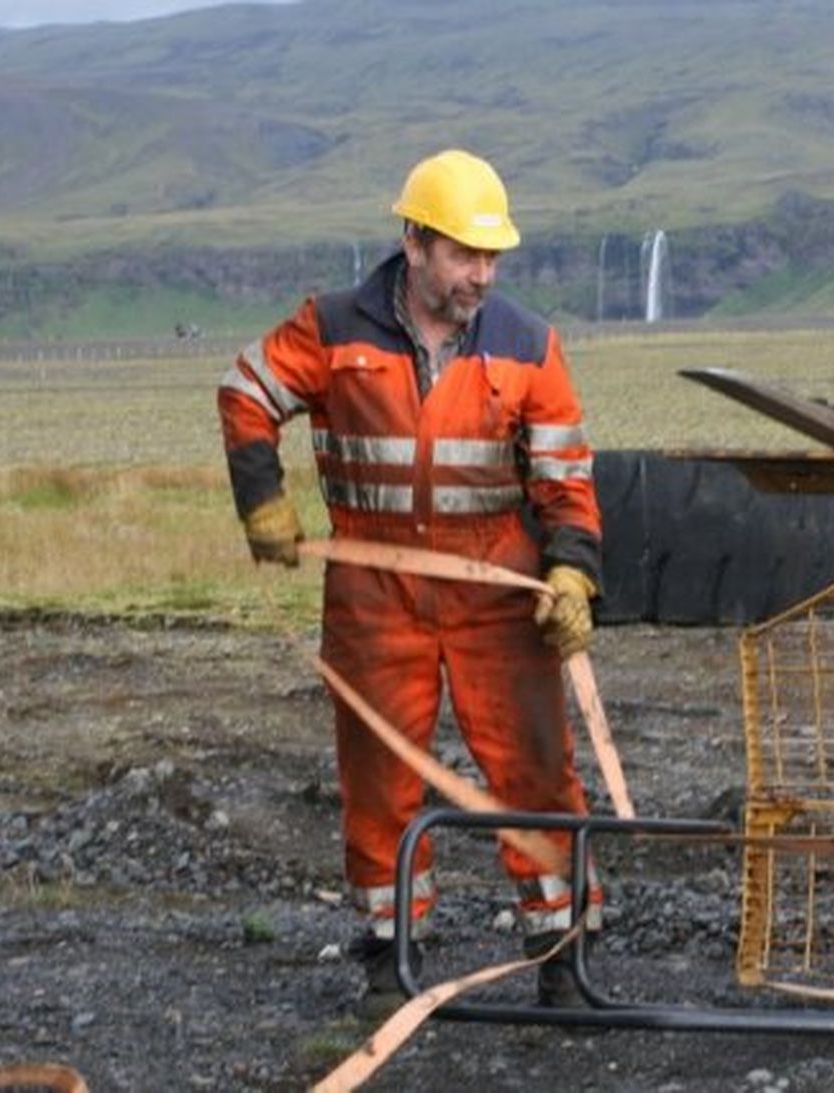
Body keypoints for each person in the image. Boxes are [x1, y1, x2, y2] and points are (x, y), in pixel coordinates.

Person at [215, 149, 603, 1014]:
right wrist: (263, 504)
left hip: (496, 583)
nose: (482, 274)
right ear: (415, 243)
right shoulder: (332, 324)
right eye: (465, 253)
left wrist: (572, 574)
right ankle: (392, 956)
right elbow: (245, 390)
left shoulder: (530, 344)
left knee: (535, 769)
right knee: (379, 776)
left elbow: (566, 480)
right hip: (372, 584)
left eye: (493, 256)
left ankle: (563, 953)